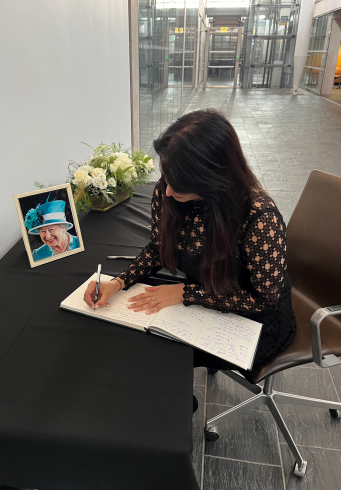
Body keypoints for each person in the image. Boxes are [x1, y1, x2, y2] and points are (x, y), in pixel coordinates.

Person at [83, 109, 296, 371]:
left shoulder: (259, 217)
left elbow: (263, 300)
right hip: (205, 298)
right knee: (137, 337)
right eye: (167, 178)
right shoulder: (169, 190)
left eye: (181, 183)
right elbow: (158, 249)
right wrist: (118, 283)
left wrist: (186, 292)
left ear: (212, 178)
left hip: (255, 321)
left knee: (163, 358)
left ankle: (179, 407)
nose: (168, 191)